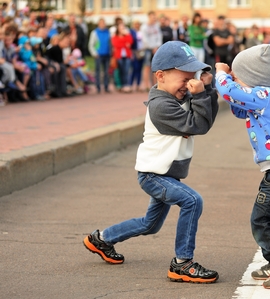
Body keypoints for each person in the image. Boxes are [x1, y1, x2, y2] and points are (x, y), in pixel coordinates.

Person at [83, 40, 220, 283]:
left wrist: (208, 90)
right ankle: (182, 263)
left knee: (150, 224)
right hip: (153, 175)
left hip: (165, 174)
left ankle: (101, 239)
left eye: (193, 78)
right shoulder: (161, 105)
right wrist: (201, 94)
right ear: (161, 76)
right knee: (192, 201)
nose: (189, 85)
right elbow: (199, 125)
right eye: (184, 79)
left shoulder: (179, 96)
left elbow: (205, 119)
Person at [214, 44, 270, 289]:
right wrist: (232, 81)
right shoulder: (263, 98)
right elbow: (237, 108)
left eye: (237, 76)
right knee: (267, 218)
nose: (233, 79)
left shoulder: (263, 96)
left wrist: (221, 73)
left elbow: (227, 92)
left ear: (251, 77)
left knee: (261, 220)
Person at [140, 11, 162, 91]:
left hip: (156, 49)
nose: (154, 19)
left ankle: (155, 85)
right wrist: (152, 47)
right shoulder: (144, 27)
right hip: (148, 49)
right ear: (149, 17)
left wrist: (157, 47)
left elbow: (159, 37)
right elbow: (145, 39)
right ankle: (146, 86)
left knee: (155, 68)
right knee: (147, 67)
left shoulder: (156, 26)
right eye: (153, 17)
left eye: (155, 17)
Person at [88, 17, 111, 93]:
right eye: (101, 23)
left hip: (107, 54)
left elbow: (110, 43)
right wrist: (94, 53)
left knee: (106, 71)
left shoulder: (108, 32)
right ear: (98, 24)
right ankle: (98, 87)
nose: (103, 24)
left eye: (104, 23)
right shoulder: (95, 32)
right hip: (98, 55)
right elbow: (91, 44)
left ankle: (106, 86)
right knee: (98, 71)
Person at [111, 23, 133, 93]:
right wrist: (125, 44)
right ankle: (119, 85)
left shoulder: (127, 35)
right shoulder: (115, 36)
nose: (122, 29)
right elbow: (116, 44)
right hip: (119, 56)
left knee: (126, 71)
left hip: (127, 56)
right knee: (120, 71)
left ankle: (125, 85)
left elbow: (130, 42)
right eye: (121, 28)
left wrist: (127, 34)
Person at [128, 19, 145, 92]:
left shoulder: (142, 32)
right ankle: (131, 84)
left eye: (138, 24)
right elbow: (130, 41)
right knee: (135, 68)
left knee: (140, 69)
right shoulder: (131, 32)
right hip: (134, 51)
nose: (137, 25)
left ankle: (138, 85)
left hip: (141, 51)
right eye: (135, 24)